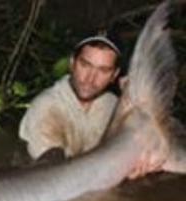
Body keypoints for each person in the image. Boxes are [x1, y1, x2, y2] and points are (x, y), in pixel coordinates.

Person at [19, 31, 122, 162]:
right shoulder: (46, 108)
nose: (90, 79)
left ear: (114, 75)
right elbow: (49, 173)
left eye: (103, 70)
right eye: (85, 65)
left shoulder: (114, 105)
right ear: (72, 63)